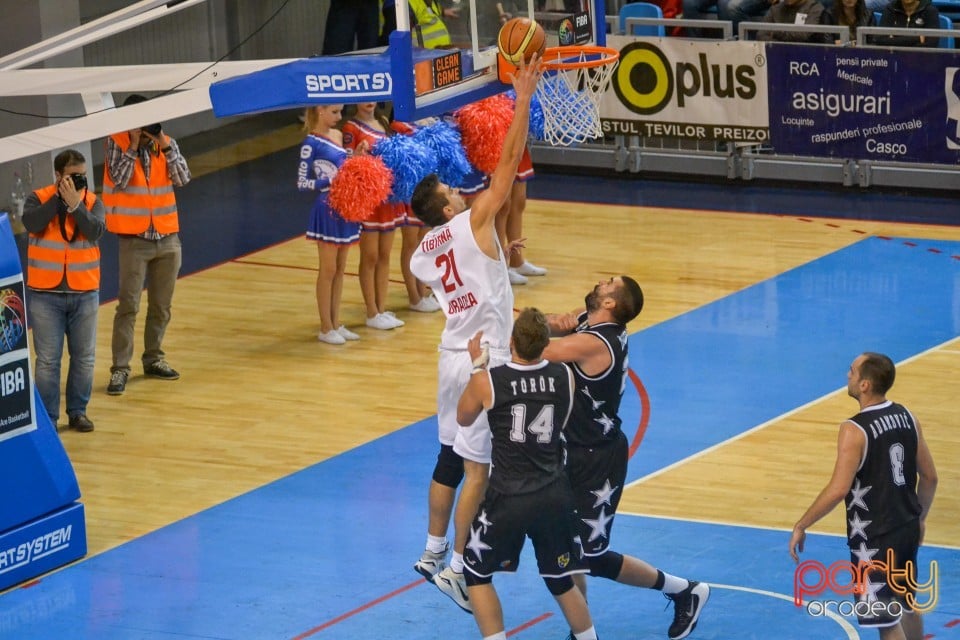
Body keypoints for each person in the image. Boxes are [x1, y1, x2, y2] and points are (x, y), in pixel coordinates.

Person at [408, 55, 543, 614]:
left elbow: (445, 270)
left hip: (448, 355)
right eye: (451, 190)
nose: (461, 191)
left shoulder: (422, 251)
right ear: (445, 206)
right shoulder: (471, 221)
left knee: (445, 457)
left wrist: (491, 258)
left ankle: (431, 549)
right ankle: (463, 567)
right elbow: (508, 166)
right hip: (484, 361)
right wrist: (523, 97)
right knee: (478, 469)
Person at [541, 277, 710, 640]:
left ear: (612, 304)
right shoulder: (593, 322)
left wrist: (488, 313)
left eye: (609, 282)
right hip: (573, 451)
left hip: (597, 460)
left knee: (590, 556)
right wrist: (545, 321)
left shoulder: (593, 342)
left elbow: (534, 349)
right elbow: (555, 322)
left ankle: (684, 589)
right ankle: (581, 632)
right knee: (568, 547)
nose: (601, 280)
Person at [457, 308, 598, 640]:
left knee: (475, 573)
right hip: (553, 491)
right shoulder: (566, 376)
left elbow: (463, 418)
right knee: (561, 578)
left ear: (510, 342)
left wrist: (478, 365)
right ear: (545, 344)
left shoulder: (488, 380)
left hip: (508, 496)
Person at [789, 353, 938, 640]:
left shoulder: (854, 429)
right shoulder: (908, 416)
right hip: (906, 526)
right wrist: (920, 518)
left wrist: (801, 524)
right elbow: (930, 477)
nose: (848, 375)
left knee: (885, 620)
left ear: (866, 384)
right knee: (907, 601)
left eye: (852, 371)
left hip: (875, 538)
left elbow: (838, 489)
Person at [103, 94, 191, 396]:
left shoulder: (165, 144)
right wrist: (131, 144)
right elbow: (121, 180)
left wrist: (164, 144)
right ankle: (120, 369)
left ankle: (154, 358)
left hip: (167, 238)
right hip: (134, 240)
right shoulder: (116, 144)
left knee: (162, 306)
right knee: (128, 306)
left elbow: (183, 178)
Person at [22, 149, 104, 432]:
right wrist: (59, 200)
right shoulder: (38, 197)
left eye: (83, 175)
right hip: (46, 294)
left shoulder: (93, 201)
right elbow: (31, 223)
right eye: (73, 176)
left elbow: (94, 231)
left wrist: (75, 205)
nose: (80, 180)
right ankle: (48, 420)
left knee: (84, 357)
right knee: (47, 361)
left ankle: (78, 412)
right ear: (58, 176)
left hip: (84, 292)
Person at [298, 104, 362, 345]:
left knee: (340, 269)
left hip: (344, 205)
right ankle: (325, 327)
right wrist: (327, 181)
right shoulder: (310, 143)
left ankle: (336, 323)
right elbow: (302, 182)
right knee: (328, 270)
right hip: (326, 207)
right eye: (334, 112)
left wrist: (357, 158)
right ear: (319, 110)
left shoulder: (337, 136)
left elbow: (344, 169)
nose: (338, 117)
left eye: (340, 112)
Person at [342, 104, 407, 331]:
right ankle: (371, 311)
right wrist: (358, 157)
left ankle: (381, 308)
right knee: (370, 256)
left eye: (372, 96)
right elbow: (347, 165)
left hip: (388, 197)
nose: (369, 101)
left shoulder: (384, 123)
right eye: (363, 97)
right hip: (369, 200)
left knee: (384, 255)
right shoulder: (351, 127)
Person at [874, 0, 941, 47]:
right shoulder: (890, 9)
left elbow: (931, 44)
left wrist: (893, 40)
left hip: (921, 60)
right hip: (893, 58)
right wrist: (917, 39)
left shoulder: (930, 11)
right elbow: (880, 40)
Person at [756, 0, 826, 42]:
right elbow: (761, 35)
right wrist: (781, 47)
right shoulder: (775, 9)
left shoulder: (814, 8)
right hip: (777, 55)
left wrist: (774, 32)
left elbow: (803, 35)